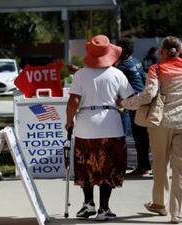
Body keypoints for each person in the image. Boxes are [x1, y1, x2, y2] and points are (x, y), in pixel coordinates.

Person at [121, 36, 182, 224]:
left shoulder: (157, 69)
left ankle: (159, 204)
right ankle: (178, 213)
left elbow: (148, 94)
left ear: (163, 52)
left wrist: (126, 103)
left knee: (160, 165)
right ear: (178, 50)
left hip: (162, 123)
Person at [65, 34, 134, 221]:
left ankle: (88, 204)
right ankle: (104, 208)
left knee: (86, 165)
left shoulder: (80, 74)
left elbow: (73, 101)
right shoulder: (117, 74)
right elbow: (127, 99)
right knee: (108, 168)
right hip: (111, 124)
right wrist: (118, 103)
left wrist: (69, 121)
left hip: (86, 126)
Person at [116, 39, 151, 175]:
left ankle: (143, 167)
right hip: (141, 101)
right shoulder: (136, 61)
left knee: (139, 136)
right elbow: (143, 79)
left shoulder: (123, 66)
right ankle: (144, 165)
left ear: (124, 49)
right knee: (142, 136)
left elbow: (108, 75)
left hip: (134, 103)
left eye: (119, 48)